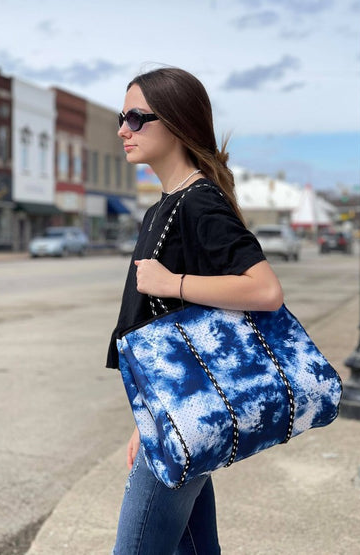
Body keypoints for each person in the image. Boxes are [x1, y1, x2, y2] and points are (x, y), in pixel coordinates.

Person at [107, 66, 283, 555]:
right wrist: (143, 420)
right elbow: (164, 329)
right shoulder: (162, 206)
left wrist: (171, 280)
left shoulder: (198, 202)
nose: (124, 129)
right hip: (174, 409)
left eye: (138, 118)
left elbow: (265, 290)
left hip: (186, 415)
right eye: (122, 117)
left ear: (179, 122)